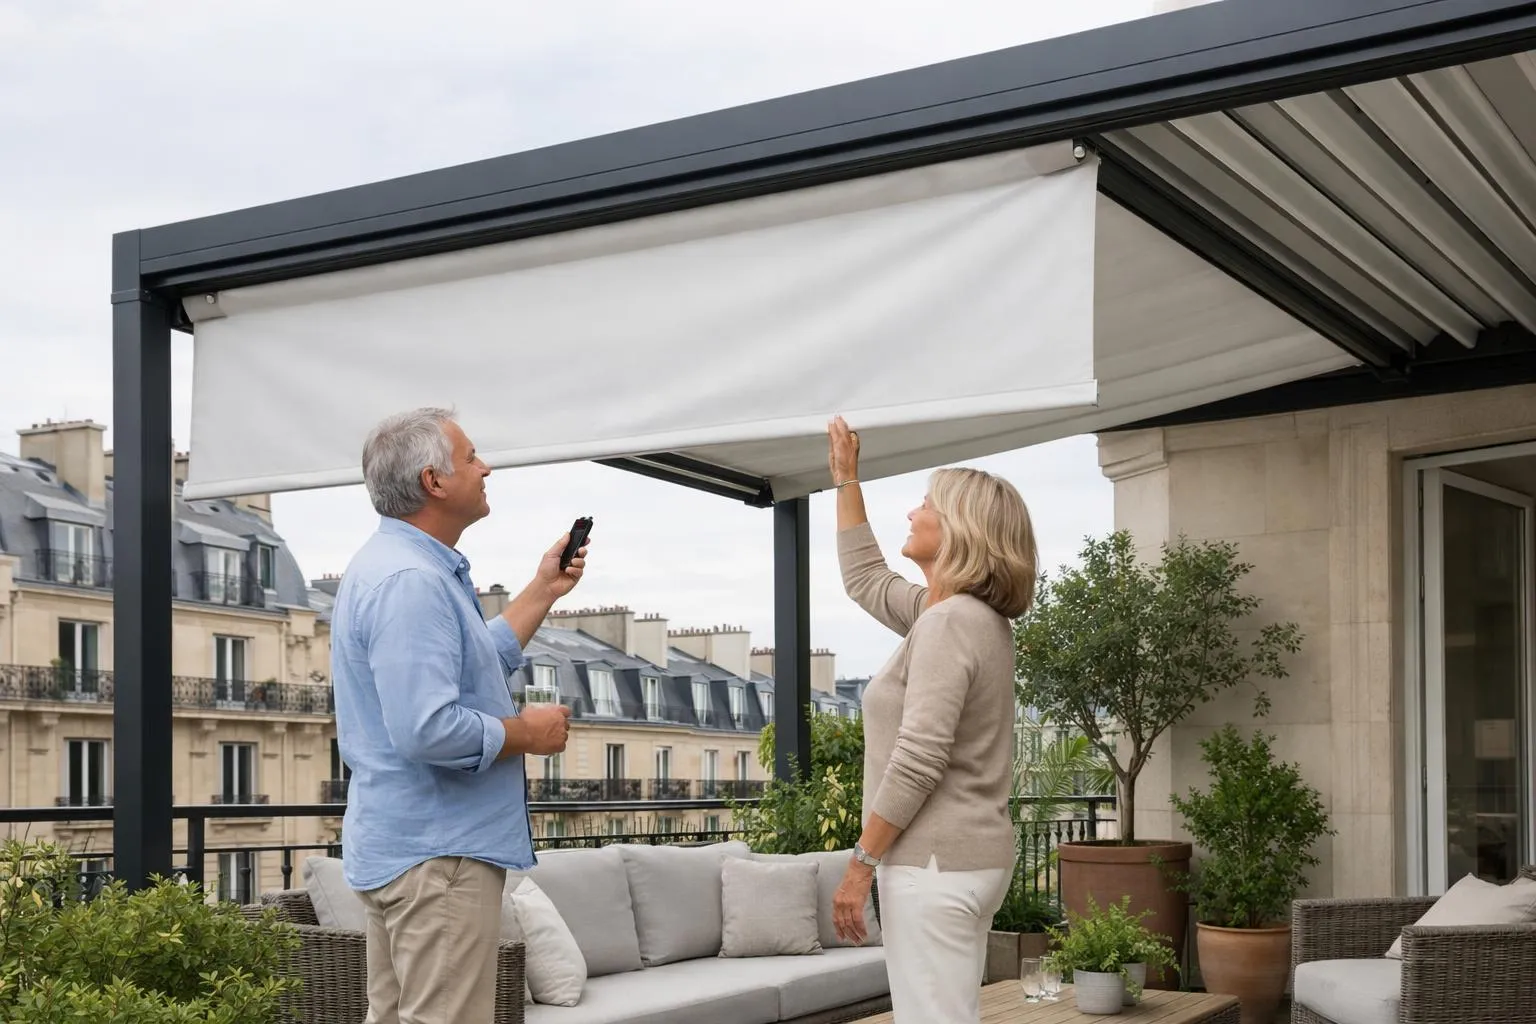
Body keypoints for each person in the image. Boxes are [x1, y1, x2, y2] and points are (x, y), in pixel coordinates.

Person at [331, 407, 586, 1024]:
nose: (486, 466)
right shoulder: (411, 582)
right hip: (438, 859)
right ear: (433, 482)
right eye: (471, 456)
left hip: (407, 848)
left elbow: (480, 659)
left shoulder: (398, 568)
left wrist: (542, 589)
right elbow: (427, 729)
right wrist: (528, 734)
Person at [825, 415, 1037, 1022]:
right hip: (969, 859)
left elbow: (919, 757)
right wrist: (846, 479)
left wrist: (860, 865)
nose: (912, 513)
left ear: (957, 529)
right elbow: (865, 578)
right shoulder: (962, 616)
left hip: (932, 865)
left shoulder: (947, 624)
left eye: (925, 504)